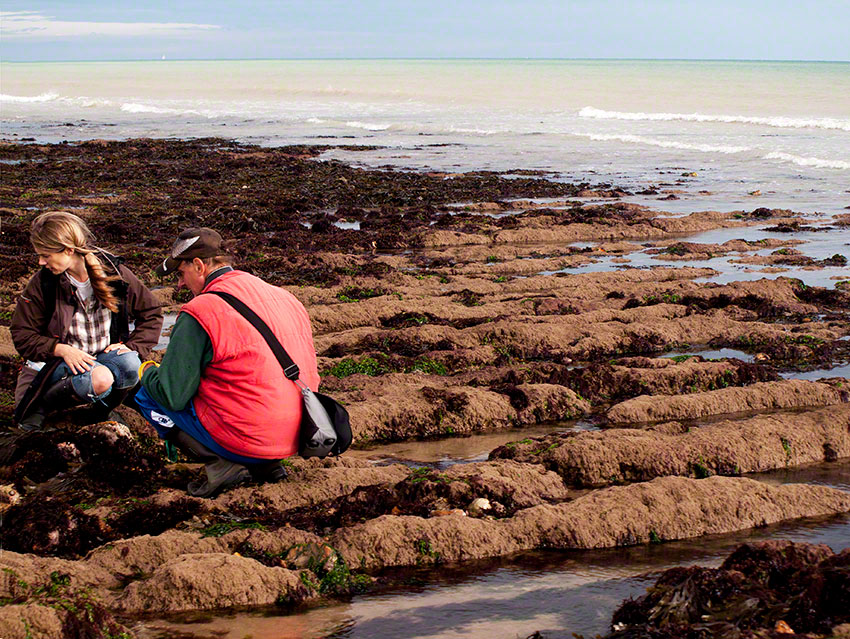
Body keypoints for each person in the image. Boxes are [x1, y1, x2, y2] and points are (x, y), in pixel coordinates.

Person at [135, 227, 320, 498]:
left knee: (146, 393)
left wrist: (146, 369)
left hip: (249, 437)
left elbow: (171, 395)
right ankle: (267, 465)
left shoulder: (200, 311)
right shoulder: (283, 296)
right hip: (299, 432)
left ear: (198, 265)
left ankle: (224, 464)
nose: (179, 285)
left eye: (180, 274)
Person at [11, 211, 163, 431]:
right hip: (55, 364)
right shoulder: (43, 283)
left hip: (100, 358)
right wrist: (60, 349)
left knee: (131, 363)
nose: (41, 262)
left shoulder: (113, 271)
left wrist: (132, 346)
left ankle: (100, 412)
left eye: (46, 255)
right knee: (100, 378)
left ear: (68, 250)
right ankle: (40, 407)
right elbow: (22, 334)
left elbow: (151, 312)